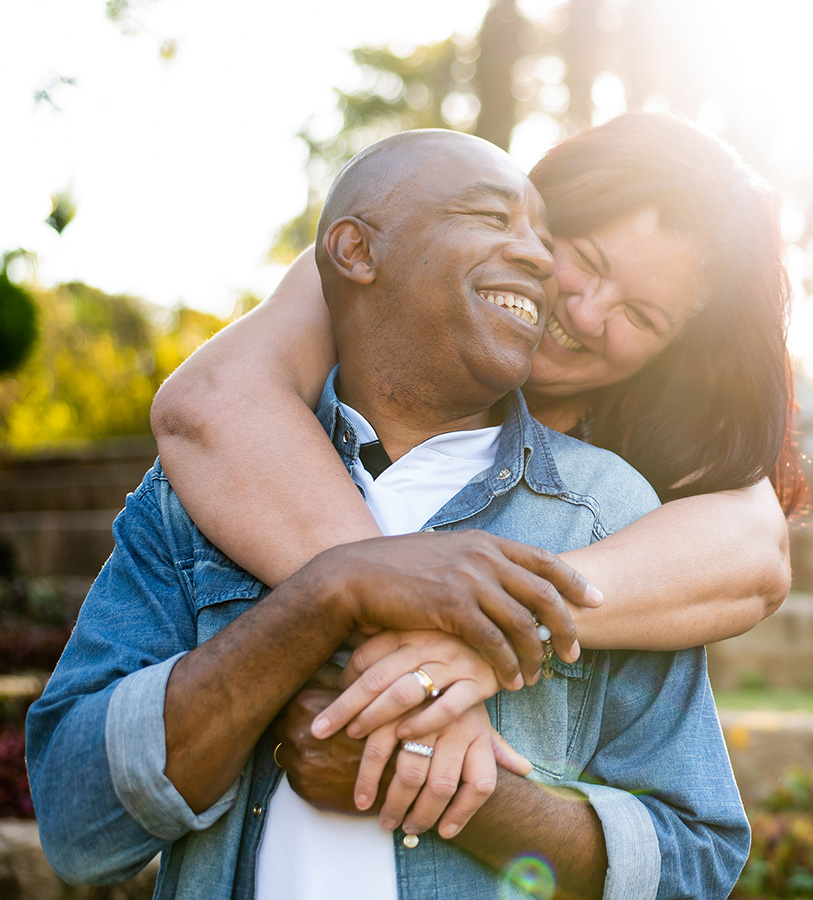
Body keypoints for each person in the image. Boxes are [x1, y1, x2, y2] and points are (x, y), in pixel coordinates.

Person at [27, 130, 750, 900]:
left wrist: (464, 801)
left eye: (542, 235)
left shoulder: (610, 517)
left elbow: (698, 860)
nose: (545, 261)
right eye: (495, 220)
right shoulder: (200, 495)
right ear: (355, 252)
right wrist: (328, 593)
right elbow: (76, 826)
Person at [151, 112, 803, 658]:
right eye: (588, 260)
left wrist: (499, 622)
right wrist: (403, 602)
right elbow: (212, 400)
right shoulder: (392, 259)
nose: (586, 313)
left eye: (639, 315)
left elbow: (756, 555)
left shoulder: (625, 471)